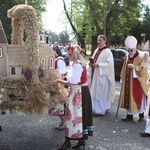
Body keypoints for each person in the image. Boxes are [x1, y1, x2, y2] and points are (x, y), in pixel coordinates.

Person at [56, 44, 93, 150]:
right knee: (76, 116)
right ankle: (80, 140)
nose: (68, 57)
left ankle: (68, 141)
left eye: (70, 54)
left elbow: (72, 81)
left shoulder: (78, 65)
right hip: (79, 91)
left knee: (73, 116)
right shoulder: (77, 64)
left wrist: (59, 81)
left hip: (79, 92)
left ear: (75, 55)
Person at [118, 36, 149, 122]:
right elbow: (124, 67)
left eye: (131, 50)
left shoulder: (140, 56)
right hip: (128, 81)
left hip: (137, 81)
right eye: (128, 50)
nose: (130, 52)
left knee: (138, 98)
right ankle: (129, 116)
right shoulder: (127, 56)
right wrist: (123, 78)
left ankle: (141, 115)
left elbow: (143, 69)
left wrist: (134, 67)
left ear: (135, 49)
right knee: (128, 97)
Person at [89, 35, 115, 116]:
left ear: (105, 40)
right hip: (96, 74)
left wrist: (99, 65)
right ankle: (101, 107)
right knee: (96, 91)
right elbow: (93, 59)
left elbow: (109, 64)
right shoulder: (97, 50)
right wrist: (91, 63)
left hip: (103, 76)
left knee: (102, 93)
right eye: (97, 40)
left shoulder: (108, 51)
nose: (98, 42)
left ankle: (100, 110)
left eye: (100, 40)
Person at [49, 45, 67, 130]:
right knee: (56, 104)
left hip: (59, 85)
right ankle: (63, 121)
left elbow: (62, 73)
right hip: (56, 84)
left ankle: (64, 121)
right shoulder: (55, 60)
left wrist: (59, 85)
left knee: (58, 104)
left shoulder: (59, 60)